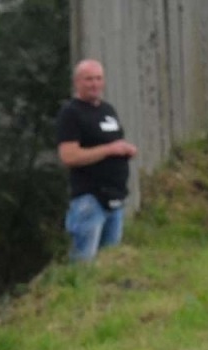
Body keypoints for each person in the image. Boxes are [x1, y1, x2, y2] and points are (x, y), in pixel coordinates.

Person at [56, 59, 137, 263]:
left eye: (99, 78)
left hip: (115, 199)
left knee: (108, 266)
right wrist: (110, 150)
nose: (94, 84)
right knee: (85, 265)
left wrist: (125, 150)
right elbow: (69, 156)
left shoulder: (107, 110)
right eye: (88, 79)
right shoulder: (71, 113)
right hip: (90, 200)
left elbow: (112, 143)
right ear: (77, 82)